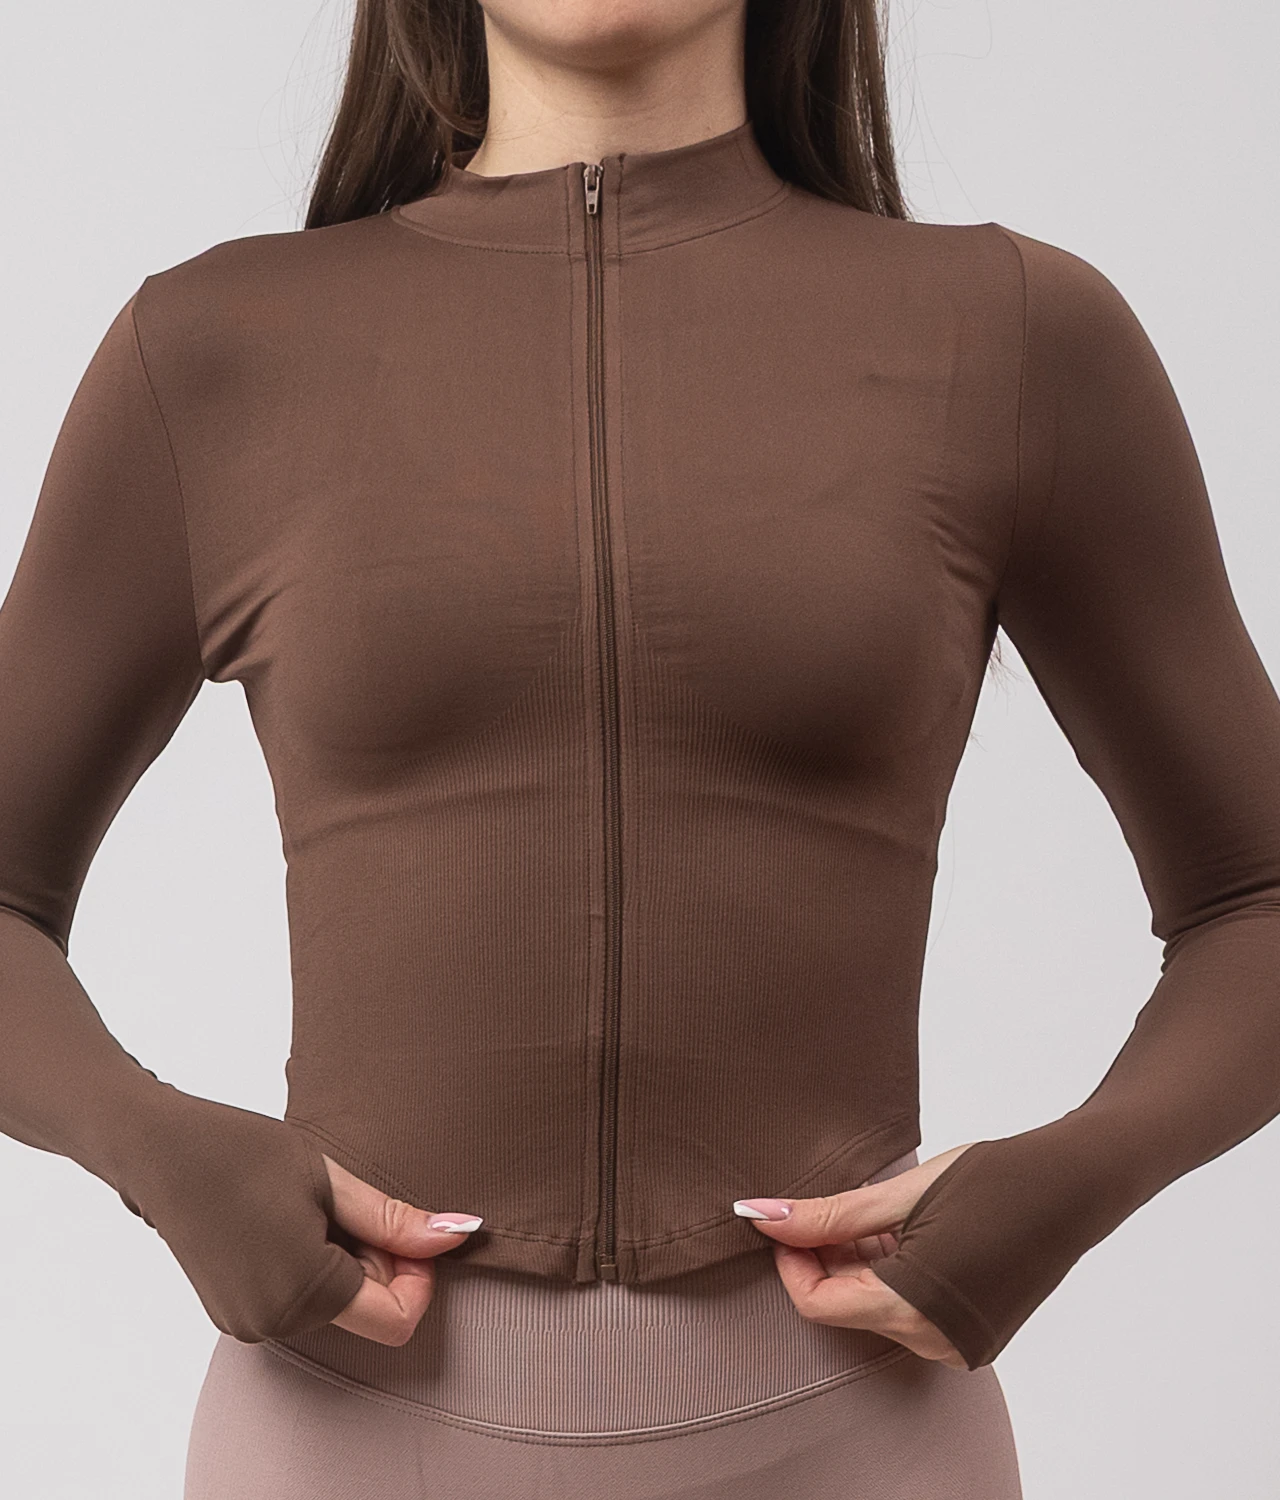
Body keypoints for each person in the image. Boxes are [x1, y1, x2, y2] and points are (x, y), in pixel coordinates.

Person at [3, 0, 1279, 1495]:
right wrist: (160, 1152)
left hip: (855, 1427)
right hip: (345, 1429)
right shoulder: (216, 351)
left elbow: (1255, 894)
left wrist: (1074, 1180)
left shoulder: (1009, 336)